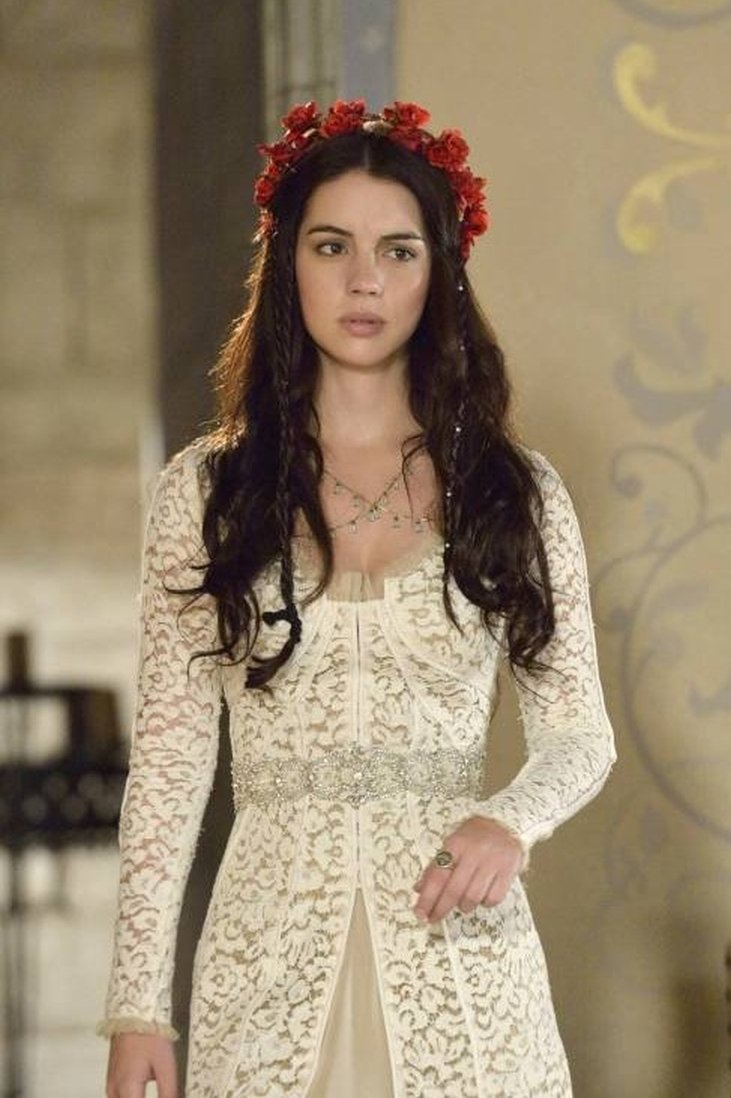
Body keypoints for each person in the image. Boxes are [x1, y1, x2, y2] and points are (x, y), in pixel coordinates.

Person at [98, 98, 616, 1098]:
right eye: (332, 246)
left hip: (462, 963)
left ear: (439, 272)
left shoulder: (512, 492)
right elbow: (166, 769)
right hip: (264, 965)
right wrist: (137, 1010)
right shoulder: (205, 494)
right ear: (287, 264)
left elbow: (577, 735)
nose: (364, 280)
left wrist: (508, 821)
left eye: (398, 251)